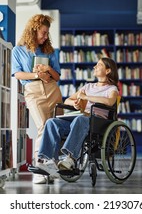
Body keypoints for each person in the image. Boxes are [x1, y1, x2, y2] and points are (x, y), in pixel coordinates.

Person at [35, 57, 119, 179]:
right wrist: (75, 104)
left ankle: (70, 158)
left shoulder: (112, 89)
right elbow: (68, 100)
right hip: (81, 119)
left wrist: (87, 98)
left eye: (99, 65)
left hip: (98, 122)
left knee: (80, 119)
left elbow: (110, 101)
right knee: (51, 122)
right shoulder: (88, 87)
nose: (95, 67)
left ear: (107, 71)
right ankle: (49, 161)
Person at [11, 14, 63, 184]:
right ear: (34, 30)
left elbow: (57, 76)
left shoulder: (50, 51)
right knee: (43, 127)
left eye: (47, 33)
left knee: (56, 128)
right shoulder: (18, 50)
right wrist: (36, 74)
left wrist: (47, 68)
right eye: (43, 32)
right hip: (33, 90)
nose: (46, 36)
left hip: (52, 90)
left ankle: (51, 168)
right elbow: (17, 74)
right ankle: (40, 169)